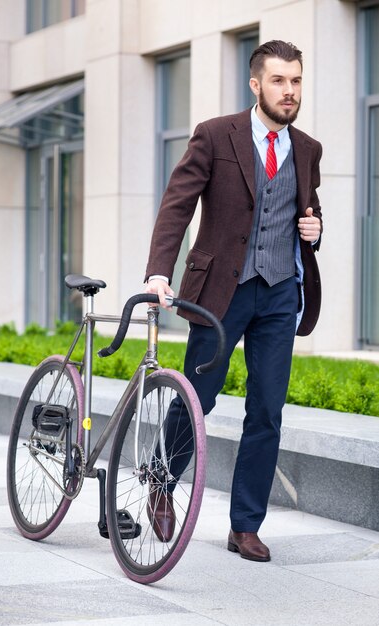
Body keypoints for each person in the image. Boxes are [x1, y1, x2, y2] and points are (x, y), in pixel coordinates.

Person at [144, 40, 322, 562]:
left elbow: (306, 212)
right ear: (256, 84)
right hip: (222, 290)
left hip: (280, 292)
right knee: (199, 397)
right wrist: (159, 271)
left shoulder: (308, 148)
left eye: (295, 81)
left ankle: (245, 525)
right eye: (278, 81)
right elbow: (177, 205)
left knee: (267, 410)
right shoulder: (215, 134)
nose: (289, 91)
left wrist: (314, 229)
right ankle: (160, 478)